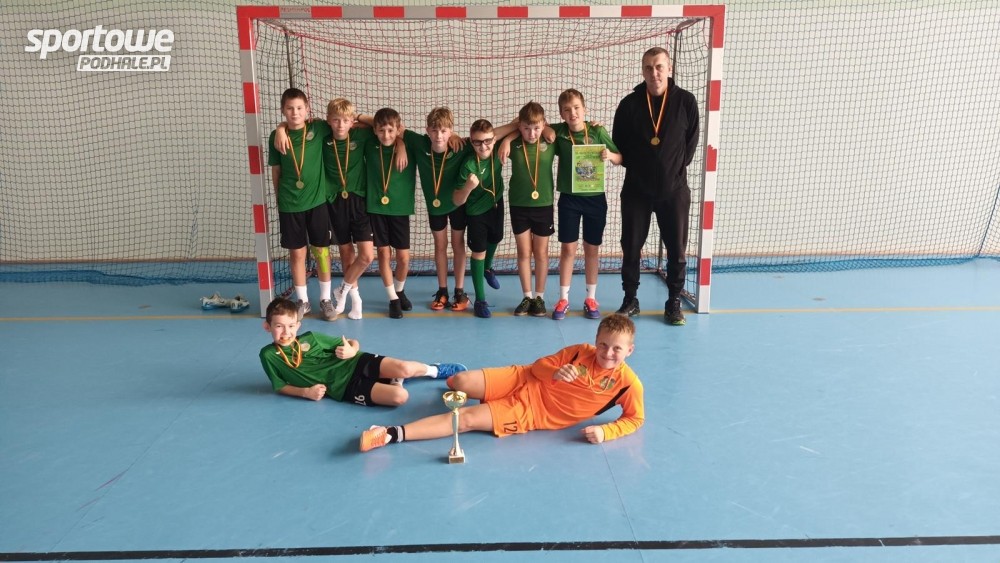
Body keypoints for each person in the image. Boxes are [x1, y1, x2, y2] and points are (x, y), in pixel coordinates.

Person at [359, 314, 643, 452]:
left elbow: (635, 418)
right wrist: (555, 373)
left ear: (629, 350)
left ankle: (389, 434)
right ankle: (436, 371)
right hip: (524, 377)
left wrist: (607, 432)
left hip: (531, 413)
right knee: (460, 381)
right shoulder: (580, 351)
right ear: (596, 340)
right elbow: (540, 365)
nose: (607, 353)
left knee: (466, 418)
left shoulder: (628, 384)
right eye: (603, 344)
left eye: (616, 349)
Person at [612, 47, 700, 326]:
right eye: (648, 68)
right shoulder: (629, 104)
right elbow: (619, 145)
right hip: (636, 190)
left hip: (674, 191)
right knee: (631, 246)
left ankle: (673, 301)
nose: (654, 73)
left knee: (677, 249)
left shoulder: (686, 101)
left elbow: (690, 145)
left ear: (669, 69)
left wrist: (670, 170)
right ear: (643, 71)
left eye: (659, 66)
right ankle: (630, 299)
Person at [274, 98, 382, 321]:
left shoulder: (358, 134)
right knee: (341, 252)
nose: (340, 125)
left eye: (345, 120)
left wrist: (357, 117)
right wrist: (281, 128)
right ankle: (339, 300)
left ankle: (340, 291)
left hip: (357, 201)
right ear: (328, 121)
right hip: (331, 202)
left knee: (365, 255)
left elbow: (385, 126)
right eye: (336, 120)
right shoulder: (322, 134)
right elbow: (296, 126)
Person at [407, 108, 519, 312]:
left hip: (457, 205)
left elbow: (496, 133)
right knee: (440, 245)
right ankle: (442, 290)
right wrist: (398, 145)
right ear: (427, 130)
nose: (439, 136)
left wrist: (510, 136)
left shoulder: (463, 145)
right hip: (435, 206)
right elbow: (397, 130)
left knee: (458, 244)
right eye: (434, 131)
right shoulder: (420, 143)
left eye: (444, 131)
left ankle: (459, 290)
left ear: (451, 130)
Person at [261, 297, 466, 406]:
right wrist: (305, 392)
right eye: (279, 326)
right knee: (399, 397)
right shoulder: (268, 355)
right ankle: (393, 380)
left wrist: (352, 350)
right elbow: (280, 385)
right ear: (267, 327)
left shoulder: (311, 338)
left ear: (297, 325)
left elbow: (352, 342)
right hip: (342, 387)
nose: (286, 332)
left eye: (290, 326)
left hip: (355, 362)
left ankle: (434, 370)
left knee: (405, 368)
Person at [551, 89, 622, 321]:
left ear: (585, 109)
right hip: (569, 199)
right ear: (561, 114)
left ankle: (591, 298)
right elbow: (535, 125)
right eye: (567, 110)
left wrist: (609, 156)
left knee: (592, 249)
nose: (572, 113)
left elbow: (620, 157)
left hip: (595, 199)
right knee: (568, 249)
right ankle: (563, 299)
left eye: (576, 108)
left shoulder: (597, 131)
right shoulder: (559, 133)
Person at [267, 88, 336, 321]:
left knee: (322, 252)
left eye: (299, 108)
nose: (295, 113)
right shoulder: (276, 137)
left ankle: (325, 299)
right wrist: (280, 128)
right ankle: (303, 301)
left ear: (307, 109)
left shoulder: (318, 128)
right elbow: (276, 171)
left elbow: (347, 122)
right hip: (290, 204)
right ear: (282, 110)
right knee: (297, 253)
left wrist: (398, 142)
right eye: (289, 108)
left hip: (317, 202)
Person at [498, 102, 558, 317]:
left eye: (536, 128)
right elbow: (491, 134)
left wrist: (548, 128)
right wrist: (508, 137)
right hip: (519, 205)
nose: (531, 134)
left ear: (543, 124)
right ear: (519, 126)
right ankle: (527, 296)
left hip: (544, 205)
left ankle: (539, 297)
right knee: (523, 252)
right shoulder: (513, 143)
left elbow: (573, 128)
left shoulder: (550, 140)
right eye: (526, 128)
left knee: (540, 253)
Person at [365, 108, 418, 319]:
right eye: (381, 130)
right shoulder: (369, 144)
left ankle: (399, 290)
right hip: (376, 208)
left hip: (400, 209)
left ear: (398, 129)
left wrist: (402, 144)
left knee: (403, 258)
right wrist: (359, 118)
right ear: (375, 130)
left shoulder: (410, 146)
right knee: (383, 254)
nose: (386, 135)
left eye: (390, 130)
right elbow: (356, 124)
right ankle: (393, 299)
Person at [452, 119, 506, 319]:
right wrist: (468, 187)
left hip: (496, 203)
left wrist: (508, 141)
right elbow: (457, 200)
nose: (483, 147)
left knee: (497, 237)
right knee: (478, 252)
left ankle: (488, 268)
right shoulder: (468, 165)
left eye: (487, 141)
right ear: (471, 141)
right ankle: (480, 300)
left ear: (494, 139)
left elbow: (517, 125)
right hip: (476, 212)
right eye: (477, 142)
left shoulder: (498, 148)